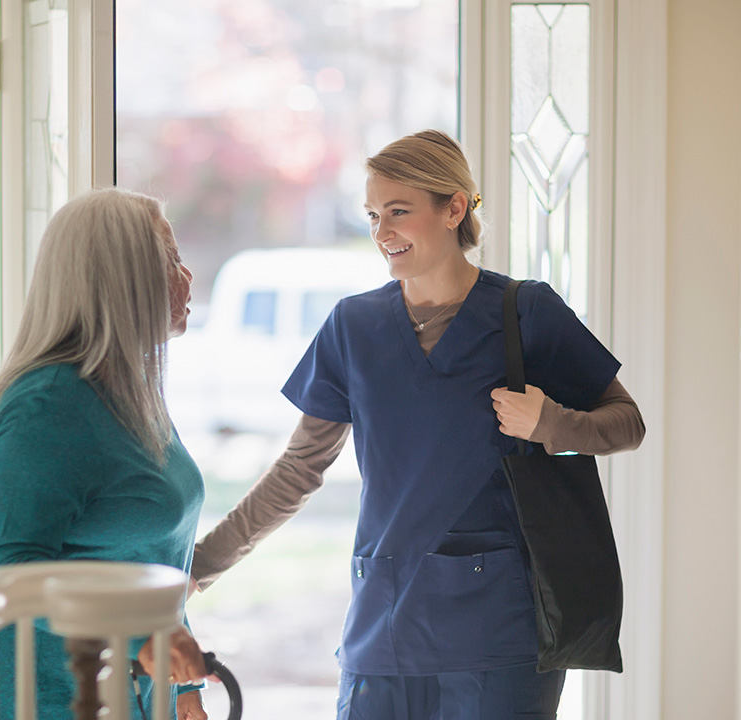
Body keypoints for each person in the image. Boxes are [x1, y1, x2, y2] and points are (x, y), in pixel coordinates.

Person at [189, 130, 645, 720]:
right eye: (374, 215)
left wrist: (550, 422)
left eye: (399, 212)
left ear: (454, 208)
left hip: (502, 636)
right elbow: (298, 469)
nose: (382, 233)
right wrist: (201, 564)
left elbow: (626, 422)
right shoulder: (352, 326)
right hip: (383, 627)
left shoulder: (525, 313)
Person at [0, 188, 209, 719]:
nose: (187, 277)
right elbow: (10, 568)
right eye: (170, 260)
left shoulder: (129, 388)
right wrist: (141, 643)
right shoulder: (45, 406)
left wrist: (182, 683)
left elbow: (147, 560)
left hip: (132, 682)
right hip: (47, 690)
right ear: (122, 279)